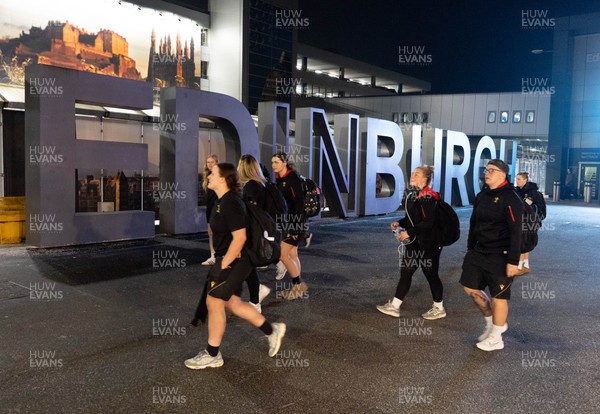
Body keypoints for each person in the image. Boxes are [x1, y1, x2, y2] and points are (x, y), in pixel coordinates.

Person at [184, 163, 285, 369]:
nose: (208, 176)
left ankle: (213, 354)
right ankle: (272, 330)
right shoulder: (223, 201)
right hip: (231, 260)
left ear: (223, 179)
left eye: (212, 173)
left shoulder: (231, 203)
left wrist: (224, 265)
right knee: (233, 303)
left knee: (214, 303)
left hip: (234, 261)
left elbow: (240, 238)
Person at [460, 159, 523, 352]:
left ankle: (497, 338)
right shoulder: (482, 195)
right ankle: (492, 322)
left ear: (502, 175)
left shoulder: (511, 197)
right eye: (486, 170)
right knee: (470, 288)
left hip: (501, 255)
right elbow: (474, 223)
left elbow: (516, 231)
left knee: (499, 296)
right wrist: (470, 248)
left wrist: (513, 261)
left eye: (492, 170)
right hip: (478, 252)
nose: (487, 173)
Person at [376, 166, 446, 320]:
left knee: (431, 275)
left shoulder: (429, 197)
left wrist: (408, 232)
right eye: (413, 173)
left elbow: (428, 223)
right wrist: (399, 222)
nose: (412, 176)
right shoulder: (414, 194)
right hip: (415, 243)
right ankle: (394, 307)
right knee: (406, 272)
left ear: (425, 179)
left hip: (430, 244)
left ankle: (439, 308)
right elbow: (413, 219)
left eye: (417, 174)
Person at [237, 154, 272, 312]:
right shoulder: (260, 184)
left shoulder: (251, 186)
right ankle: (255, 299)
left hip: (252, 231)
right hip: (257, 230)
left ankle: (255, 300)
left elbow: (251, 211)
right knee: (247, 265)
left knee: (244, 264)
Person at [271, 152, 308, 300]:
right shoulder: (280, 179)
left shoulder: (292, 179)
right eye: (272, 162)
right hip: (289, 222)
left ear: (284, 163)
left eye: (276, 162)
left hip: (295, 223)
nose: (274, 164)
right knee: (292, 254)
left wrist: (296, 226)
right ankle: (297, 289)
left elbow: (299, 202)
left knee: (282, 254)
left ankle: (298, 287)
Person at [515, 172, 546, 275]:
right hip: (521, 221)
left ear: (525, 180)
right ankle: (525, 266)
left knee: (522, 243)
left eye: (519, 179)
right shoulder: (517, 191)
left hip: (529, 221)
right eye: (516, 179)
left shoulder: (534, 193)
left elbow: (540, 207)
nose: (517, 181)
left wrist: (528, 207)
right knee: (524, 243)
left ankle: (520, 266)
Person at [202, 155, 218, 266]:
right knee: (210, 233)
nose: (209, 164)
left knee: (216, 232)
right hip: (210, 209)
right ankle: (213, 255)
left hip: (217, 209)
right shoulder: (207, 177)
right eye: (208, 162)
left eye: (212, 162)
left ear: (217, 162)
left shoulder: (219, 176)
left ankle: (217, 256)